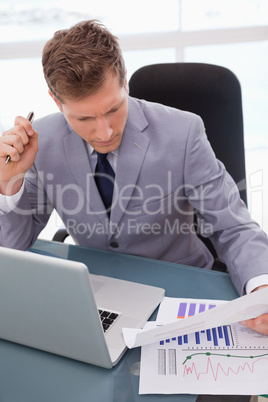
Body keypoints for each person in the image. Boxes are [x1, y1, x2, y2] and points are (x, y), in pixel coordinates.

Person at [0, 20, 267, 335]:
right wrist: (10, 183)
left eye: (113, 109)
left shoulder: (183, 132)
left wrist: (261, 289)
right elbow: (13, 247)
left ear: (124, 82)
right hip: (97, 296)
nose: (104, 132)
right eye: (84, 118)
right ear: (57, 102)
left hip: (179, 290)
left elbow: (232, 227)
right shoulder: (43, 140)